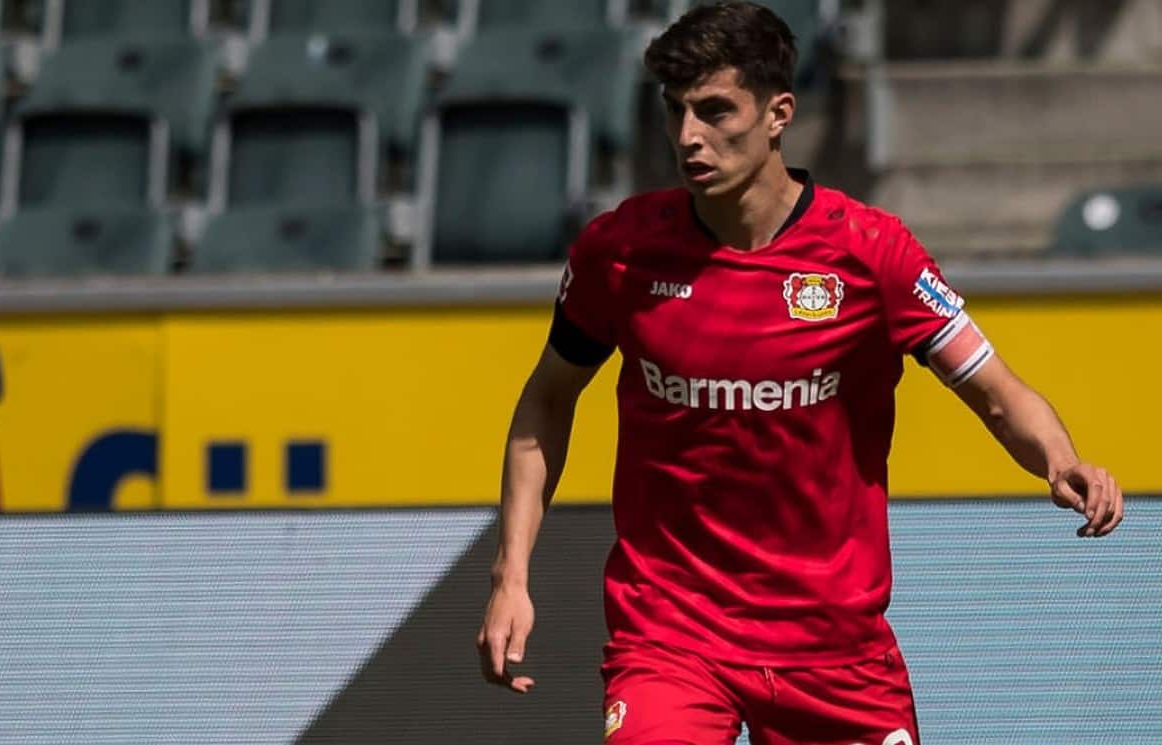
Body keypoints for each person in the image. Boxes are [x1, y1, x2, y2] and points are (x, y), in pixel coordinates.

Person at [476, 3, 1124, 743]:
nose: (689, 135)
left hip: (834, 650)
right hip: (672, 637)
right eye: (675, 111)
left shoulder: (871, 254)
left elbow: (995, 391)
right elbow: (547, 398)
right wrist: (510, 574)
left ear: (778, 113)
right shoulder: (618, 254)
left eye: (716, 110)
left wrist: (1061, 461)